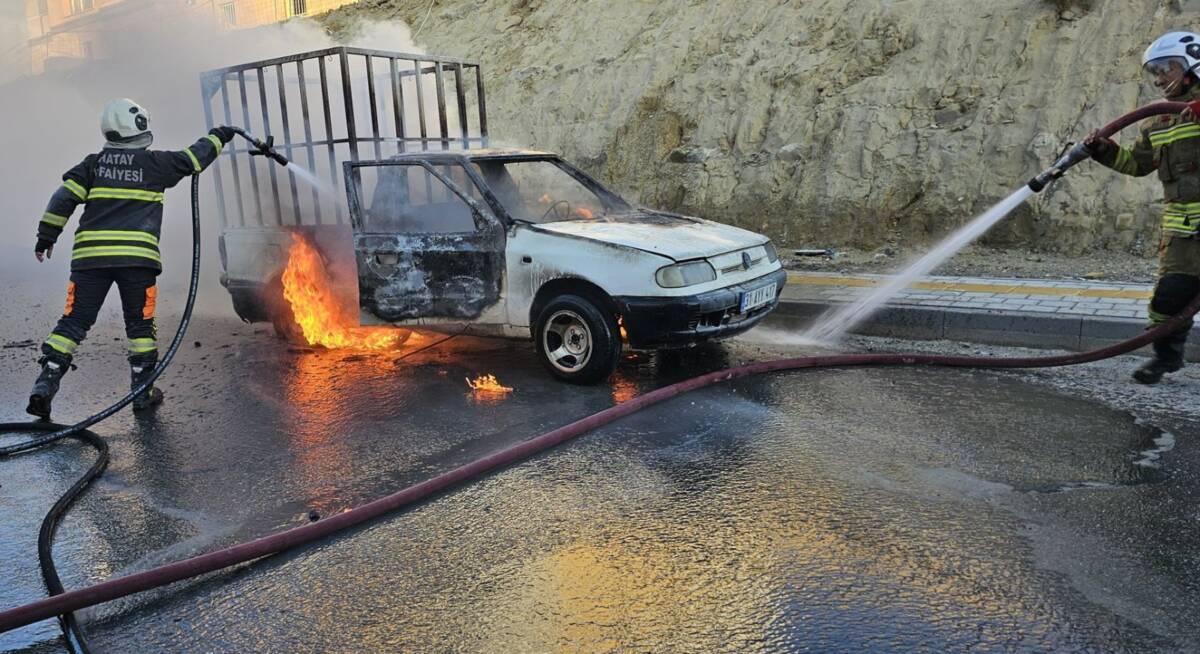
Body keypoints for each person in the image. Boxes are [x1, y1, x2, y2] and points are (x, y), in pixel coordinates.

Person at [27, 98, 238, 419]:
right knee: (140, 327)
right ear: (140, 126)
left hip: (90, 261)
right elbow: (194, 158)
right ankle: (142, 393)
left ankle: (45, 384)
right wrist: (219, 135)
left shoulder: (92, 165)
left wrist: (46, 236)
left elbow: (62, 199)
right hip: (137, 262)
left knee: (73, 322)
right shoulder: (155, 165)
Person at [1085, 31, 1200, 384]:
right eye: (1155, 71)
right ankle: (1166, 358)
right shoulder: (1158, 121)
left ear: (1192, 67)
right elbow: (1136, 164)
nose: (1160, 77)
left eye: (1166, 68)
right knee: (1168, 300)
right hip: (1184, 234)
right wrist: (1104, 150)